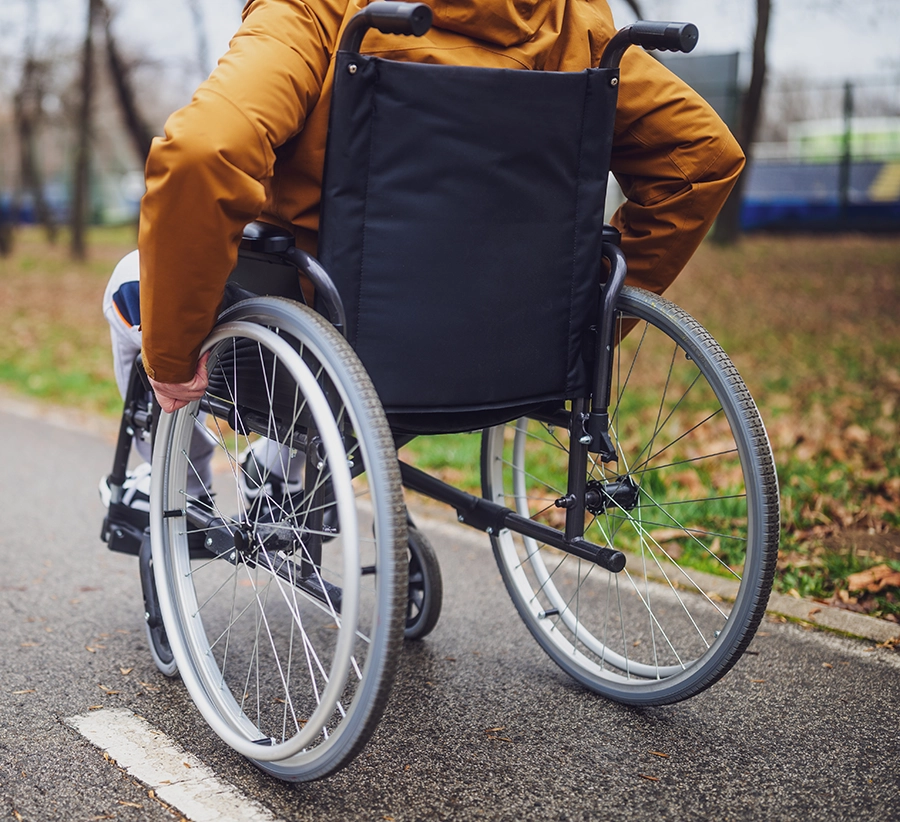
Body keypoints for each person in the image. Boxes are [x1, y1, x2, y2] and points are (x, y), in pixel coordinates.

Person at [103, 0, 744, 506]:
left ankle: (178, 491)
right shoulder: (569, 23)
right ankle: (282, 469)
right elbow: (701, 162)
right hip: (513, 349)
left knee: (136, 287)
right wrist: (580, 325)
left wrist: (170, 354)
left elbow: (202, 156)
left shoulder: (317, 12)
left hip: (335, 341)